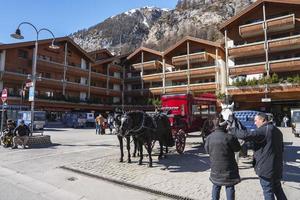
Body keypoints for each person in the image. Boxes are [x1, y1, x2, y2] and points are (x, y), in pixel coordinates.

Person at [229, 112, 287, 200]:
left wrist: (232, 129)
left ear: (262, 120)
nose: (254, 123)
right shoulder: (277, 131)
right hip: (277, 168)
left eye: (256, 121)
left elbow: (245, 135)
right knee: (278, 190)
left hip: (266, 170)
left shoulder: (263, 130)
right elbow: (281, 149)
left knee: (268, 191)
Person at [205, 115, 241, 200]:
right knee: (229, 187)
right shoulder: (229, 137)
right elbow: (237, 149)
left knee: (216, 186)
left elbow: (207, 151)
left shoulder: (209, 137)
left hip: (215, 167)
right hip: (229, 168)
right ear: (225, 126)